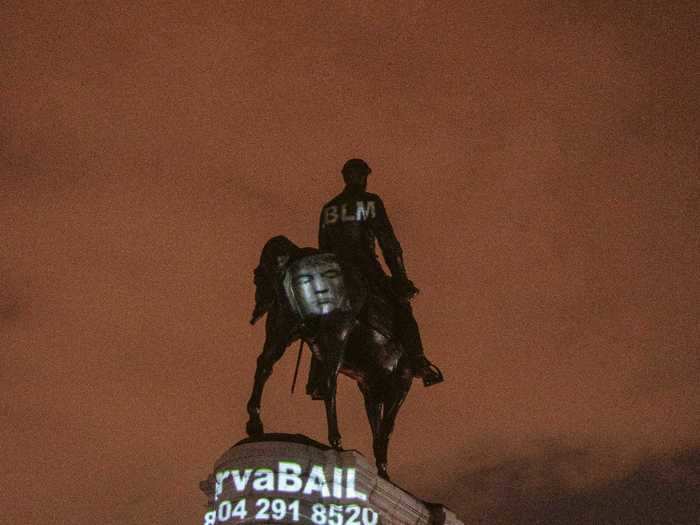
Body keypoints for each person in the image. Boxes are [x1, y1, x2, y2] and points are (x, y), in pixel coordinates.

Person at [307, 158, 443, 396]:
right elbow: (388, 243)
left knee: (322, 320)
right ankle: (419, 362)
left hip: (334, 273)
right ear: (362, 177)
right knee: (402, 306)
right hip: (365, 267)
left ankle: (318, 376)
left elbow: (323, 247)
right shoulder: (370, 202)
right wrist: (401, 278)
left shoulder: (328, 208)